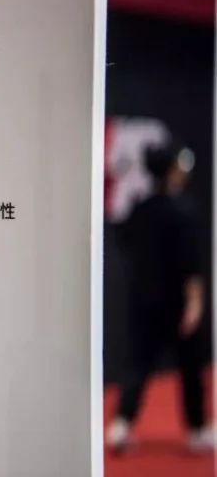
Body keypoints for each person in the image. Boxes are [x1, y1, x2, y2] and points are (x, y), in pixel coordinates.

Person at [107, 140, 212, 452]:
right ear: (170, 171)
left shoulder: (140, 209)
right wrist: (194, 303)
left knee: (137, 364)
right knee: (190, 366)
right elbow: (190, 263)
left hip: (144, 302)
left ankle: (121, 424)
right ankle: (197, 429)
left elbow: (127, 245)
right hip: (176, 303)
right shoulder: (183, 211)